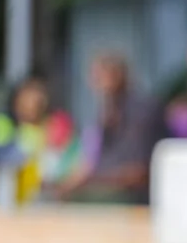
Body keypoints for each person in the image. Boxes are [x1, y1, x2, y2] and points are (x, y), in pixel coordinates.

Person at [53, 52, 160, 205]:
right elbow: (93, 162)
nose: (95, 84)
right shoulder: (109, 112)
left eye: (100, 76)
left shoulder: (141, 110)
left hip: (130, 195)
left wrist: (92, 181)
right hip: (108, 187)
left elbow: (138, 172)